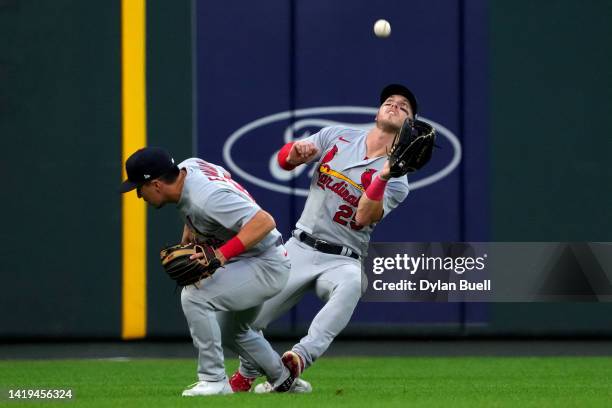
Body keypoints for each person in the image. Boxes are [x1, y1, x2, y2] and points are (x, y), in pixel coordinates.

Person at [230, 84, 417, 393]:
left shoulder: (398, 179)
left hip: (343, 258)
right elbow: (283, 161)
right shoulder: (336, 136)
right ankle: (249, 376)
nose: (394, 105)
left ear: (409, 125)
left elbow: (363, 217)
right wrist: (293, 154)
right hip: (299, 246)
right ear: (377, 112)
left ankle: (300, 358)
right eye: (389, 101)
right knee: (248, 321)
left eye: (404, 106)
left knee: (354, 283)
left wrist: (383, 176)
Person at [119, 147, 298, 396]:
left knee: (194, 295)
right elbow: (210, 193)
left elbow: (264, 222)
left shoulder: (208, 198)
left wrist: (220, 255)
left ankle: (214, 380)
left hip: (266, 263)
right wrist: (189, 241)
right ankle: (284, 379)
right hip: (252, 260)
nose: (139, 195)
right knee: (232, 331)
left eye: (140, 187)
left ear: (157, 184)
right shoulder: (189, 167)